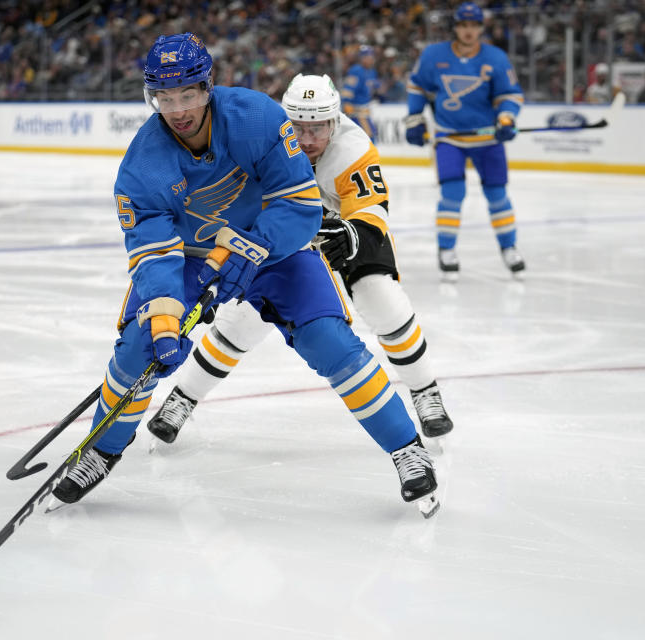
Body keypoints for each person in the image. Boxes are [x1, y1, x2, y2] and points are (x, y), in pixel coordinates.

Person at [51, 33, 439, 516]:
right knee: (141, 345)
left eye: (187, 94)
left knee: (327, 340)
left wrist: (252, 249)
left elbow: (299, 207)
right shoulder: (140, 167)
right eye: (164, 98)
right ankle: (102, 450)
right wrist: (168, 315)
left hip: (274, 249)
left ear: (206, 87)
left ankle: (407, 447)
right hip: (196, 257)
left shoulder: (257, 118)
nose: (178, 109)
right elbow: (154, 254)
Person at [148, 73, 453, 448]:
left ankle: (424, 391)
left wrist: (352, 233)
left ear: (335, 122)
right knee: (244, 319)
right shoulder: (263, 138)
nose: (307, 140)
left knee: (380, 297)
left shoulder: (351, 148)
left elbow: (373, 209)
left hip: (341, 233)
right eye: (299, 127)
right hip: (287, 235)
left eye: (318, 128)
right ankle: (184, 397)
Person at [404, 2, 525, 280]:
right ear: (456, 27)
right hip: (450, 137)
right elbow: (417, 85)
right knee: (452, 193)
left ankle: (509, 247)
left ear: (481, 28)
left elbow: (509, 94)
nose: (469, 31)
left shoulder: (495, 58)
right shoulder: (434, 55)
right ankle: (446, 250)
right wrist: (414, 118)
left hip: (487, 138)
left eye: (474, 25)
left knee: (497, 195)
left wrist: (507, 118)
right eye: (463, 25)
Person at [341, 45, 380, 142]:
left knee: (369, 139)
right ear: (362, 58)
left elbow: (373, 88)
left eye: (371, 57)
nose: (370, 59)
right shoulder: (356, 70)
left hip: (365, 112)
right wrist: (346, 103)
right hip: (356, 113)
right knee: (368, 139)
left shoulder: (372, 72)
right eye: (367, 57)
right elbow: (347, 90)